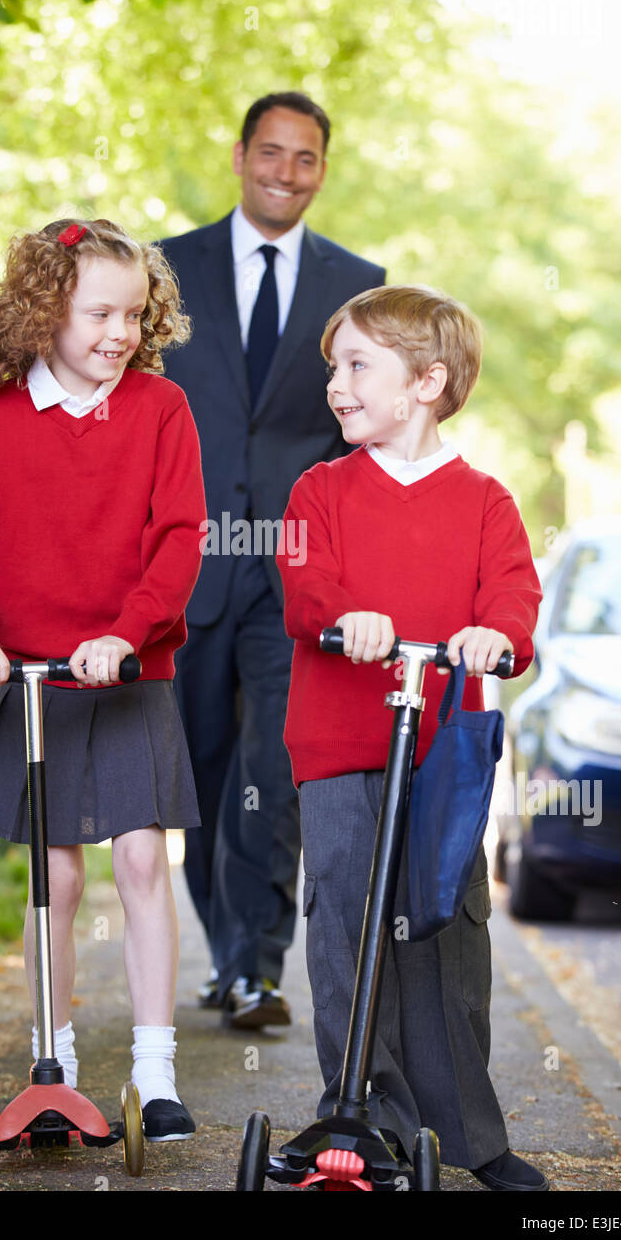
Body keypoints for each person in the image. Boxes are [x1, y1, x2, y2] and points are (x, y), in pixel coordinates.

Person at [0, 218, 207, 1142]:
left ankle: (156, 1074)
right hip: (37, 679)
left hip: (124, 673)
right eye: (98, 314)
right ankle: (58, 1066)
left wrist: (128, 633)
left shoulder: (161, 410)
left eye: (134, 313)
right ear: (44, 311)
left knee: (138, 862)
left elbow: (177, 541)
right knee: (56, 877)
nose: (119, 333)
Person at [276, 285, 549, 1190]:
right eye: (332, 367)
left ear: (426, 382)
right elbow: (307, 586)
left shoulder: (484, 502)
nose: (337, 384)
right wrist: (346, 617)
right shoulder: (320, 490)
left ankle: (469, 1135)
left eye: (358, 365)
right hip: (339, 746)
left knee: (443, 934)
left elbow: (514, 598)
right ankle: (360, 1120)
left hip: (443, 758)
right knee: (346, 928)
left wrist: (493, 634)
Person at [159, 93, 386, 1027]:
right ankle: (224, 951)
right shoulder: (169, 265)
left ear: (322, 170)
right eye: (271, 153)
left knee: (276, 760)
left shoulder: (358, 279)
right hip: (192, 554)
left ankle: (259, 966)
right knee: (204, 765)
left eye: (305, 159)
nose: (285, 173)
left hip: (298, 562)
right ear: (242, 154)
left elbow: (359, 423)